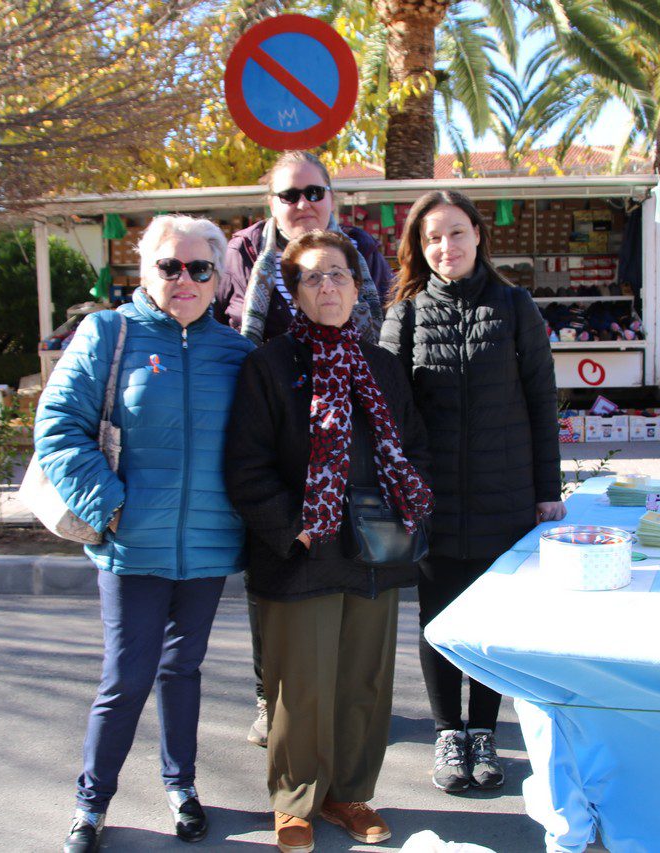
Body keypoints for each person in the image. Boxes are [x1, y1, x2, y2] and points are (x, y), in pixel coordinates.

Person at [35, 215, 255, 852]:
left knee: (183, 670)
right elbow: (58, 427)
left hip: (210, 545)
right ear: (146, 271)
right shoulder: (109, 333)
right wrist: (108, 508)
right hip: (130, 544)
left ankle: (181, 788)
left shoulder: (237, 353)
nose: (183, 279)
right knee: (126, 677)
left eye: (199, 268)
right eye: (169, 266)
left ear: (217, 277)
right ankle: (91, 802)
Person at [224, 229, 433, 853]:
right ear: (293, 292)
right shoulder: (270, 365)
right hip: (303, 551)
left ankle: (349, 794)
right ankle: (294, 802)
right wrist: (295, 531)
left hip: (374, 551)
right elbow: (247, 466)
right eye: (313, 277)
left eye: (338, 274)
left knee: (363, 680)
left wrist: (411, 510)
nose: (329, 286)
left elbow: (414, 448)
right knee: (301, 682)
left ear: (355, 284)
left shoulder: (382, 366)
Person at [379, 190, 565, 794]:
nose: (445, 247)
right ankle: (447, 734)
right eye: (432, 237)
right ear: (418, 246)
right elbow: (385, 414)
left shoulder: (515, 307)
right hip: (430, 499)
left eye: (456, 233)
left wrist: (547, 490)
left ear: (479, 235)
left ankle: (484, 732)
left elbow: (541, 401)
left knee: (488, 622)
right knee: (439, 620)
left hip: (502, 493)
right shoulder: (404, 315)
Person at [215, 150, 395, 748]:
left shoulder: (361, 252)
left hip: (350, 422)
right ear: (269, 202)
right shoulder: (239, 254)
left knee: (345, 567)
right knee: (273, 567)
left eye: (313, 191)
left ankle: (338, 699)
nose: (302, 204)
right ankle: (273, 695)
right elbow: (220, 327)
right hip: (271, 423)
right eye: (288, 195)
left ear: (332, 196)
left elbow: (380, 329)